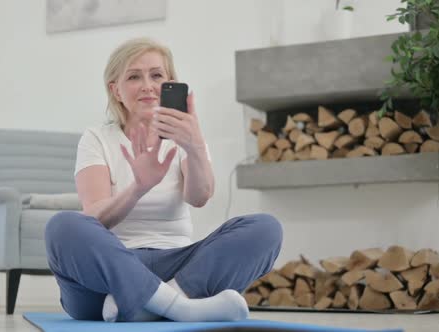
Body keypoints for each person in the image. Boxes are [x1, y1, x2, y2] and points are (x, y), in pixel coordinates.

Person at [45, 37, 283, 323]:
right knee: (62, 227)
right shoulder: (97, 138)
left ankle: (152, 302)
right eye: (134, 76)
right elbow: (95, 218)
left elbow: (200, 197)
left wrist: (194, 147)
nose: (147, 85)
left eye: (156, 75)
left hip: (177, 266)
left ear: (171, 82)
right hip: (109, 273)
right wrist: (138, 188)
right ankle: (181, 308)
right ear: (116, 90)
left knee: (265, 229)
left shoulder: (186, 136)